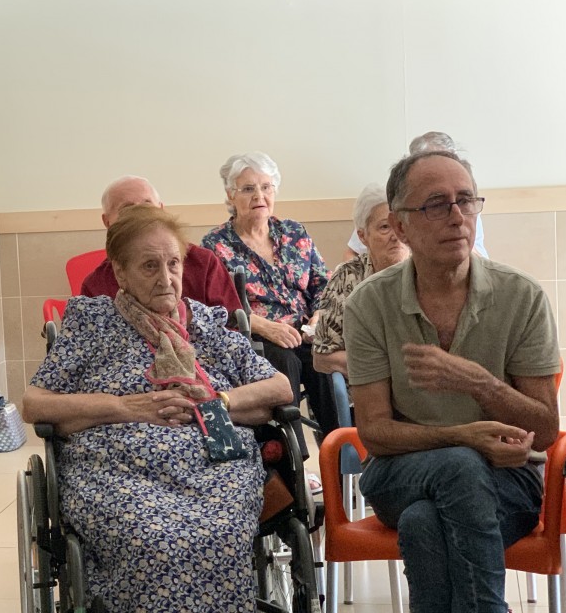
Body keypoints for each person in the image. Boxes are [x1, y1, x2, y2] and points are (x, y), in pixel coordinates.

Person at [23, 205, 292, 613]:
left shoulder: (209, 325)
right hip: (116, 472)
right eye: (149, 266)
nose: (166, 277)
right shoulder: (91, 323)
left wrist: (218, 400)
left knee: (222, 537)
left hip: (214, 468)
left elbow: (280, 389)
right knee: (154, 540)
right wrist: (127, 407)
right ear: (119, 273)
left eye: (173, 263)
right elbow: (35, 403)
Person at [344, 150, 562, 613]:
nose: (458, 215)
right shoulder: (370, 304)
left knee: (425, 525)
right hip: (399, 473)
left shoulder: (521, 296)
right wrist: (463, 435)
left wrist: (483, 386)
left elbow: (546, 430)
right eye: (437, 204)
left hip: (507, 482)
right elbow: (375, 433)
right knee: (456, 468)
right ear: (400, 223)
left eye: (466, 199)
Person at [201, 152, 338, 436]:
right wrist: (264, 327)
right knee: (283, 361)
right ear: (230, 195)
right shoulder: (215, 245)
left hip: (304, 331)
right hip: (256, 336)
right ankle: (293, 453)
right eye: (248, 189)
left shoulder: (294, 233)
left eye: (266, 187)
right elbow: (215, 307)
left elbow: (322, 284)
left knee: (324, 358)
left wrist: (318, 317)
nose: (259, 196)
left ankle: (341, 446)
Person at [80, 175, 242, 313]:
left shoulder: (204, 262)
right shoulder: (96, 285)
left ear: (162, 209)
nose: (141, 216)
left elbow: (232, 323)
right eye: (127, 209)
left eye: (147, 206)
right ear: (107, 221)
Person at [312, 183, 409, 375]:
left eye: (400, 225)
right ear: (363, 236)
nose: (396, 235)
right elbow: (322, 358)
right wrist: (386, 368)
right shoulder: (347, 277)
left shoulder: (428, 271)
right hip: (365, 387)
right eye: (385, 227)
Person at [343, 132, 487, 260]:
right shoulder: (387, 203)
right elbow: (352, 252)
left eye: (463, 201)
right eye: (436, 205)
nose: (457, 218)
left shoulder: (466, 208)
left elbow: (480, 259)